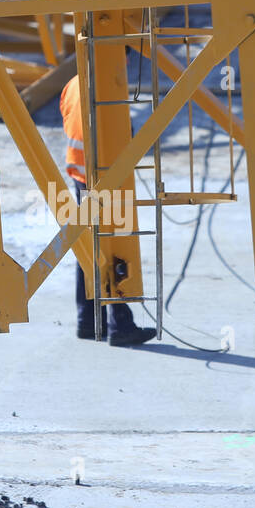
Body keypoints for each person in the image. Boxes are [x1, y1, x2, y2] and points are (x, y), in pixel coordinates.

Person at [60, 75, 155, 346]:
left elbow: (68, 117)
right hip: (107, 174)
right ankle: (121, 325)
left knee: (90, 245)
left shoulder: (74, 82)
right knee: (116, 245)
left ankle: (88, 321)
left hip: (79, 172)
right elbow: (119, 130)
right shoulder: (109, 80)